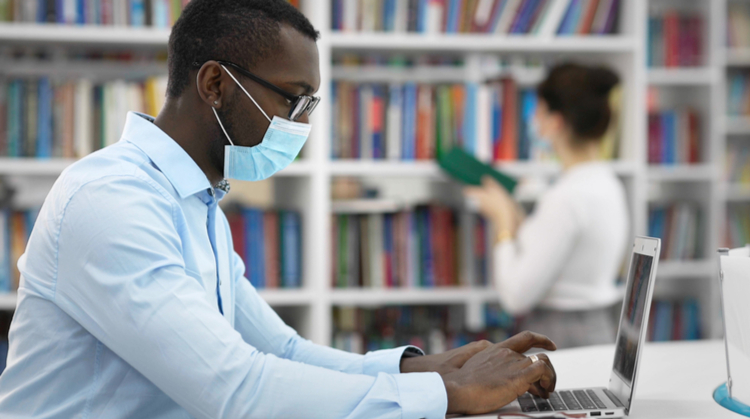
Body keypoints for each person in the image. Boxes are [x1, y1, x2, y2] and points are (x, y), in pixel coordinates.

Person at [0, 1, 558, 418]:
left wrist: (429, 368)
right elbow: (236, 390)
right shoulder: (111, 201)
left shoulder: (197, 204)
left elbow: (280, 351)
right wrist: (448, 394)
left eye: (309, 104)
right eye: (292, 99)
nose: (303, 124)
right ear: (215, 84)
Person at [466, 63, 629, 349]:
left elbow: (515, 296)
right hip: (596, 329)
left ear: (556, 121)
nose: (533, 117)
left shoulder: (566, 197)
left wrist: (503, 222)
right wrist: (515, 216)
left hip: (560, 338)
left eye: (538, 109)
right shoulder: (608, 185)